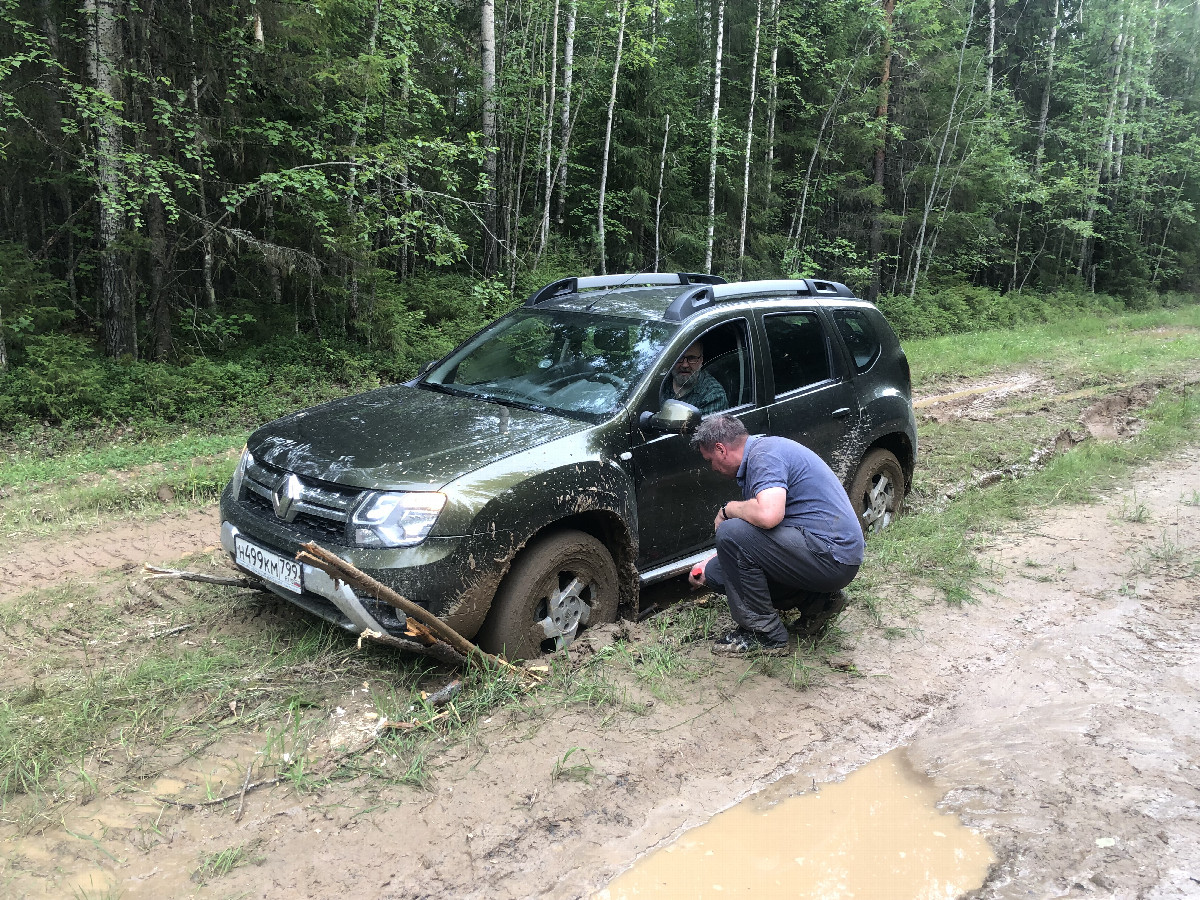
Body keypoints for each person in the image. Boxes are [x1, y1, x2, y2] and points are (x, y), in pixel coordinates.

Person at [688, 415, 865, 655]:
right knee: (717, 573)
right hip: (823, 553)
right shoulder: (761, 455)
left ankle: (763, 634)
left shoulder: (764, 455)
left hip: (832, 554)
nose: (713, 468)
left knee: (730, 531)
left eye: (710, 460)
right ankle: (817, 601)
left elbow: (768, 516)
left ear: (721, 449)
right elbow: (755, 539)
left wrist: (727, 510)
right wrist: (709, 561)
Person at [658, 340, 727, 416]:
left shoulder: (713, 395)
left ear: (701, 361)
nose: (685, 365)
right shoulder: (660, 381)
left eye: (691, 358)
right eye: (679, 358)